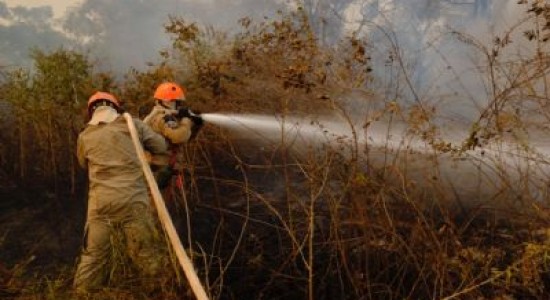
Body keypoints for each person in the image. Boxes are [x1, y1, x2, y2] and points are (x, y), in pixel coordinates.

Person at [74, 91, 169, 293]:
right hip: (132, 201)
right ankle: (160, 292)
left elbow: (83, 163)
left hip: (101, 206)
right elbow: (161, 146)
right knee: (146, 253)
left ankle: (82, 294)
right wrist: (150, 163)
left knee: (93, 256)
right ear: (116, 107)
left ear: (91, 112)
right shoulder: (133, 124)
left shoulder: (84, 136)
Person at [143, 82, 203, 190]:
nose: (178, 106)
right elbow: (179, 137)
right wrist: (186, 119)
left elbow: (186, 137)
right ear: (168, 102)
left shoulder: (158, 116)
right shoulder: (164, 117)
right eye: (177, 102)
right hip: (160, 171)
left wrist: (196, 124)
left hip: (162, 171)